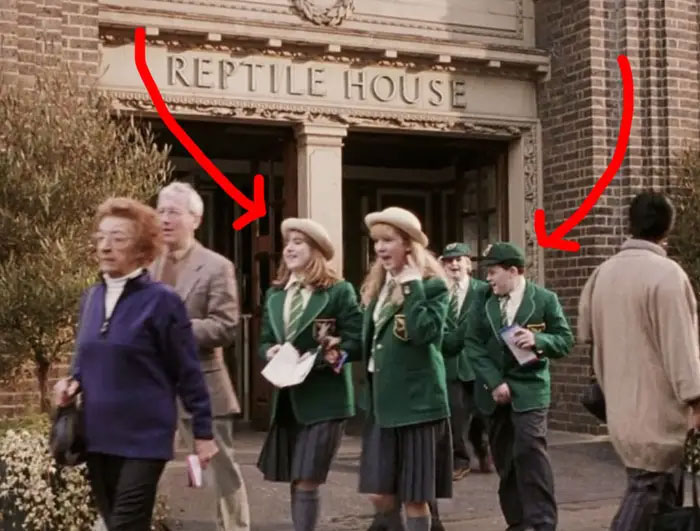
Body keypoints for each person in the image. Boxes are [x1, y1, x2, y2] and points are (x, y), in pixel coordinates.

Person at [53, 197, 216, 531]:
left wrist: (203, 432)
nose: (106, 246)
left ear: (142, 248)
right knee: (116, 522)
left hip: (145, 436)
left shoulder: (162, 301)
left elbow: (187, 371)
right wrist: (72, 383)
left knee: (127, 523)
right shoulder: (91, 298)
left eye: (119, 238)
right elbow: (85, 357)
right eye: (101, 237)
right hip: (98, 434)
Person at [578, 191, 700, 531]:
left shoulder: (602, 273)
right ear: (667, 229)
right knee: (647, 489)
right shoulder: (667, 275)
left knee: (658, 495)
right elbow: (681, 346)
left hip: (620, 403)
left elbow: (586, 333)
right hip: (659, 407)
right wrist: (696, 400)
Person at [151, 182, 250, 531]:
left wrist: (176, 330)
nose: (164, 219)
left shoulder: (215, 266)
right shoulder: (146, 265)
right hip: (152, 388)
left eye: (173, 212)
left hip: (204, 386)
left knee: (222, 469)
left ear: (195, 219)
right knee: (144, 466)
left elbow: (225, 327)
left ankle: (235, 527)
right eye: (160, 211)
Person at [256, 217, 363, 531]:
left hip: (326, 399)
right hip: (289, 399)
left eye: (298, 242)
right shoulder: (275, 295)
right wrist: (270, 352)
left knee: (306, 478)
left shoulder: (339, 291)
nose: (289, 248)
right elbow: (264, 340)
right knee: (296, 477)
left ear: (315, 250)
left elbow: (356, 340)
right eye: (288, 242)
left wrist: (330, 353)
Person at [464, 242, 573, 531]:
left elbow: (565, 340)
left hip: (531, 389)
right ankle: (517, 522)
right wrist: (494, 382)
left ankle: (542, 523)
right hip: (495, 393)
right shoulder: (481, 299)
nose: (487, 278)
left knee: (530, 452)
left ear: (513, 271)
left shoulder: (544, 299)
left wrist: (540, 341)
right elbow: (472, 344)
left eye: (493, 272)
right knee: (506, 460)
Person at [358, 206, 452, 531]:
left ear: (410, 245)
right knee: (381, 494)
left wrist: (412, 287)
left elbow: (425, 333)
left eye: (389, 240)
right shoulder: (378, 288)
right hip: (382, 405)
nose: (381, 248)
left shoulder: (433, 287)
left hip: (418, 406)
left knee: (415, 497)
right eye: (377, 242)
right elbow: (370, 343)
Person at [440, 242, 492, 479]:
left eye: (459, 259)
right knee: (454, 413)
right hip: (449, 363)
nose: (454, 264)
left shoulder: (483, 290)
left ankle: (482, 449)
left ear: (468, 264)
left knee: (482, 412)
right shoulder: (438, 292)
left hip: (477, 363)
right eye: (449, 260)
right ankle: (459, 460)